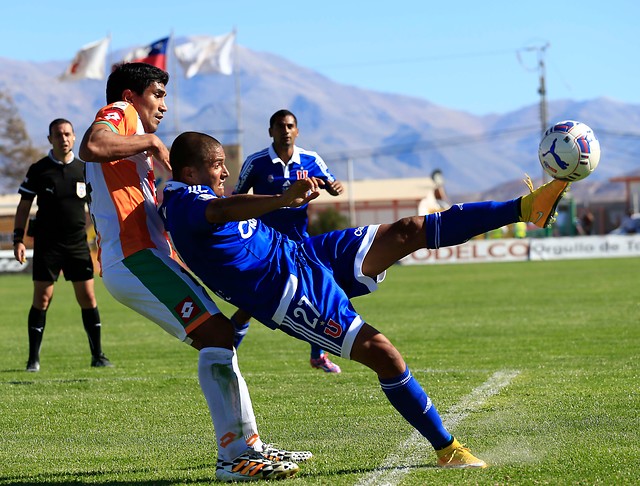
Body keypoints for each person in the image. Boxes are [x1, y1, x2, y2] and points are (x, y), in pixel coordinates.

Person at [160, 131, 572, 470]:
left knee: (409, 228)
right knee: (384, 354)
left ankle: (525, 207)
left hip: (306, 254)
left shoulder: (196, 194)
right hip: (291, 292)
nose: (225, 171)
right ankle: (448, 449)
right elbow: (221, 210)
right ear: (190, 171)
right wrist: (281, 199)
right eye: (217, 165)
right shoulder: (184, 202)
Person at [78, 63, 308, 482]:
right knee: (218, 336)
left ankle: (249, 447)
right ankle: (234, 456)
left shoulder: (132, 144)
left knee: (219, 339)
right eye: (158, 95)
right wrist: (149, 141)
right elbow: (91, 144)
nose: (163, 106)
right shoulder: (120, 112)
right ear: (131, 97)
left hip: (144, 257)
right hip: (134, 259)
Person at [233, 109, 344, 373]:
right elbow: (237, 196)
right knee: (251, 298)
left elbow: (330, 183)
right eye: (280, 126)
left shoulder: (310, 159)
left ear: (297, 130)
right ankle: (226, 348)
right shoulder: (256, 162)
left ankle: (318, 355)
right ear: (270, 131)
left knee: (318, 291)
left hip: (298, 241)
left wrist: (333, 186)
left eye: (290, 126)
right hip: (264, 242)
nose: (285, 131)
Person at [13, 118, 112, 372]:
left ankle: (98, 355)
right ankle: (33, 359)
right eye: (58, 135)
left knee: (88, 298)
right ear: (50, 139)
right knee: (42, 298)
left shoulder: (85, 169)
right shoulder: (39, 169)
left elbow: (98, 207)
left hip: (78, 244)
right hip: (47, 245)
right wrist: (18, 239)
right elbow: (24, 206)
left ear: (75, 137)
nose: (64, 138)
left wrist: (104, 239)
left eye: (68, 134)